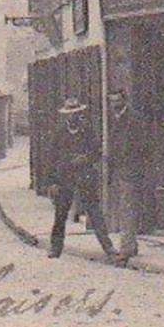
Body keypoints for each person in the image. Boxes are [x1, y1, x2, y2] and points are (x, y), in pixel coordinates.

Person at [48, 97, 117, 262]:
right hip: (64, 177)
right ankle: (56, 248)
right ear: (66, 115)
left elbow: (96, 152)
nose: (73, 116)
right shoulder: (59, 132)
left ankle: (108, 247)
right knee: (60, 214)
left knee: (94, 212)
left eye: (76, 113)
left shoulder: (87, 130)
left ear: (80, 114)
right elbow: (51, 157)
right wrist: (52, 182)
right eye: (70, 114)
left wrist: (85, 158)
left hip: (85, 176)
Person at [106, 89, 146, 264]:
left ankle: (127, 247)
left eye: (118, 101)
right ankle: (131, 244)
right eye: (112, 101)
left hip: (130, 170)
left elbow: (141, 145)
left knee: (127, 208)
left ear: (125, 101)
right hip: (119, 170)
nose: (115, 105)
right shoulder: (114, 119)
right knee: (124, 208)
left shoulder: (134, 119)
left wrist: (133, 164)